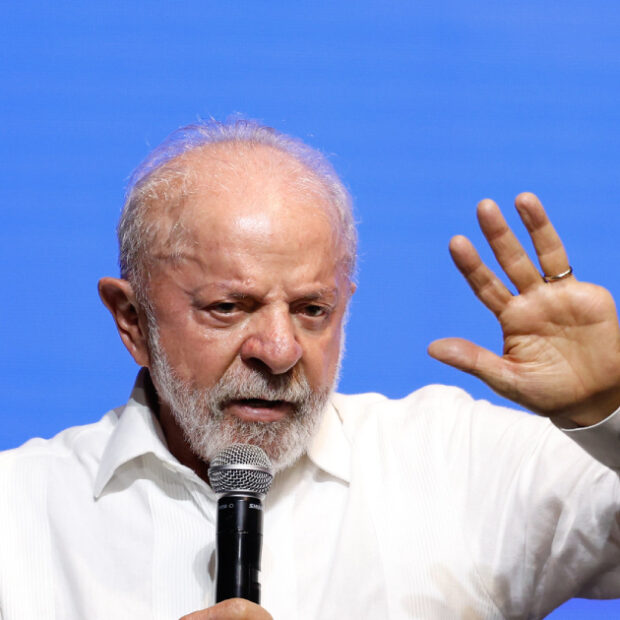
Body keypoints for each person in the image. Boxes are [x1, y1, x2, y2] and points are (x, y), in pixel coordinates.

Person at [1, 119, 620, 620]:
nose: (279, 351)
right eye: (228, 307)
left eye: (311, 310)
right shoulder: (18, 510)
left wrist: (606, 408)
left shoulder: (456, 464)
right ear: (133, 321)